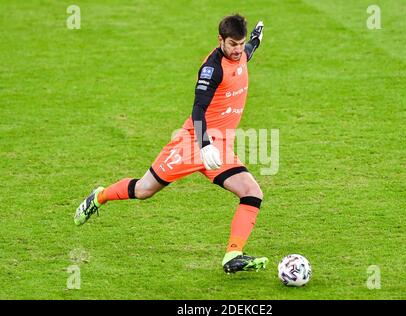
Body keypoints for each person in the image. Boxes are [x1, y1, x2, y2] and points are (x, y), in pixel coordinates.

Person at [74, 14, 267, 274]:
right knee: (144, 190)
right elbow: (198, 109)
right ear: (220, 40)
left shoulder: (242, 52)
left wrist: (254, 40)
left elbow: (249, 52)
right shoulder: (213, 68)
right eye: (232, 44)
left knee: (252, 192)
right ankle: (100, 196)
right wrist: (204, 144)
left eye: (241, 44)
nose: (237, 50)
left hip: (219, 148)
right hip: (192, 143)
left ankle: (233, 255)